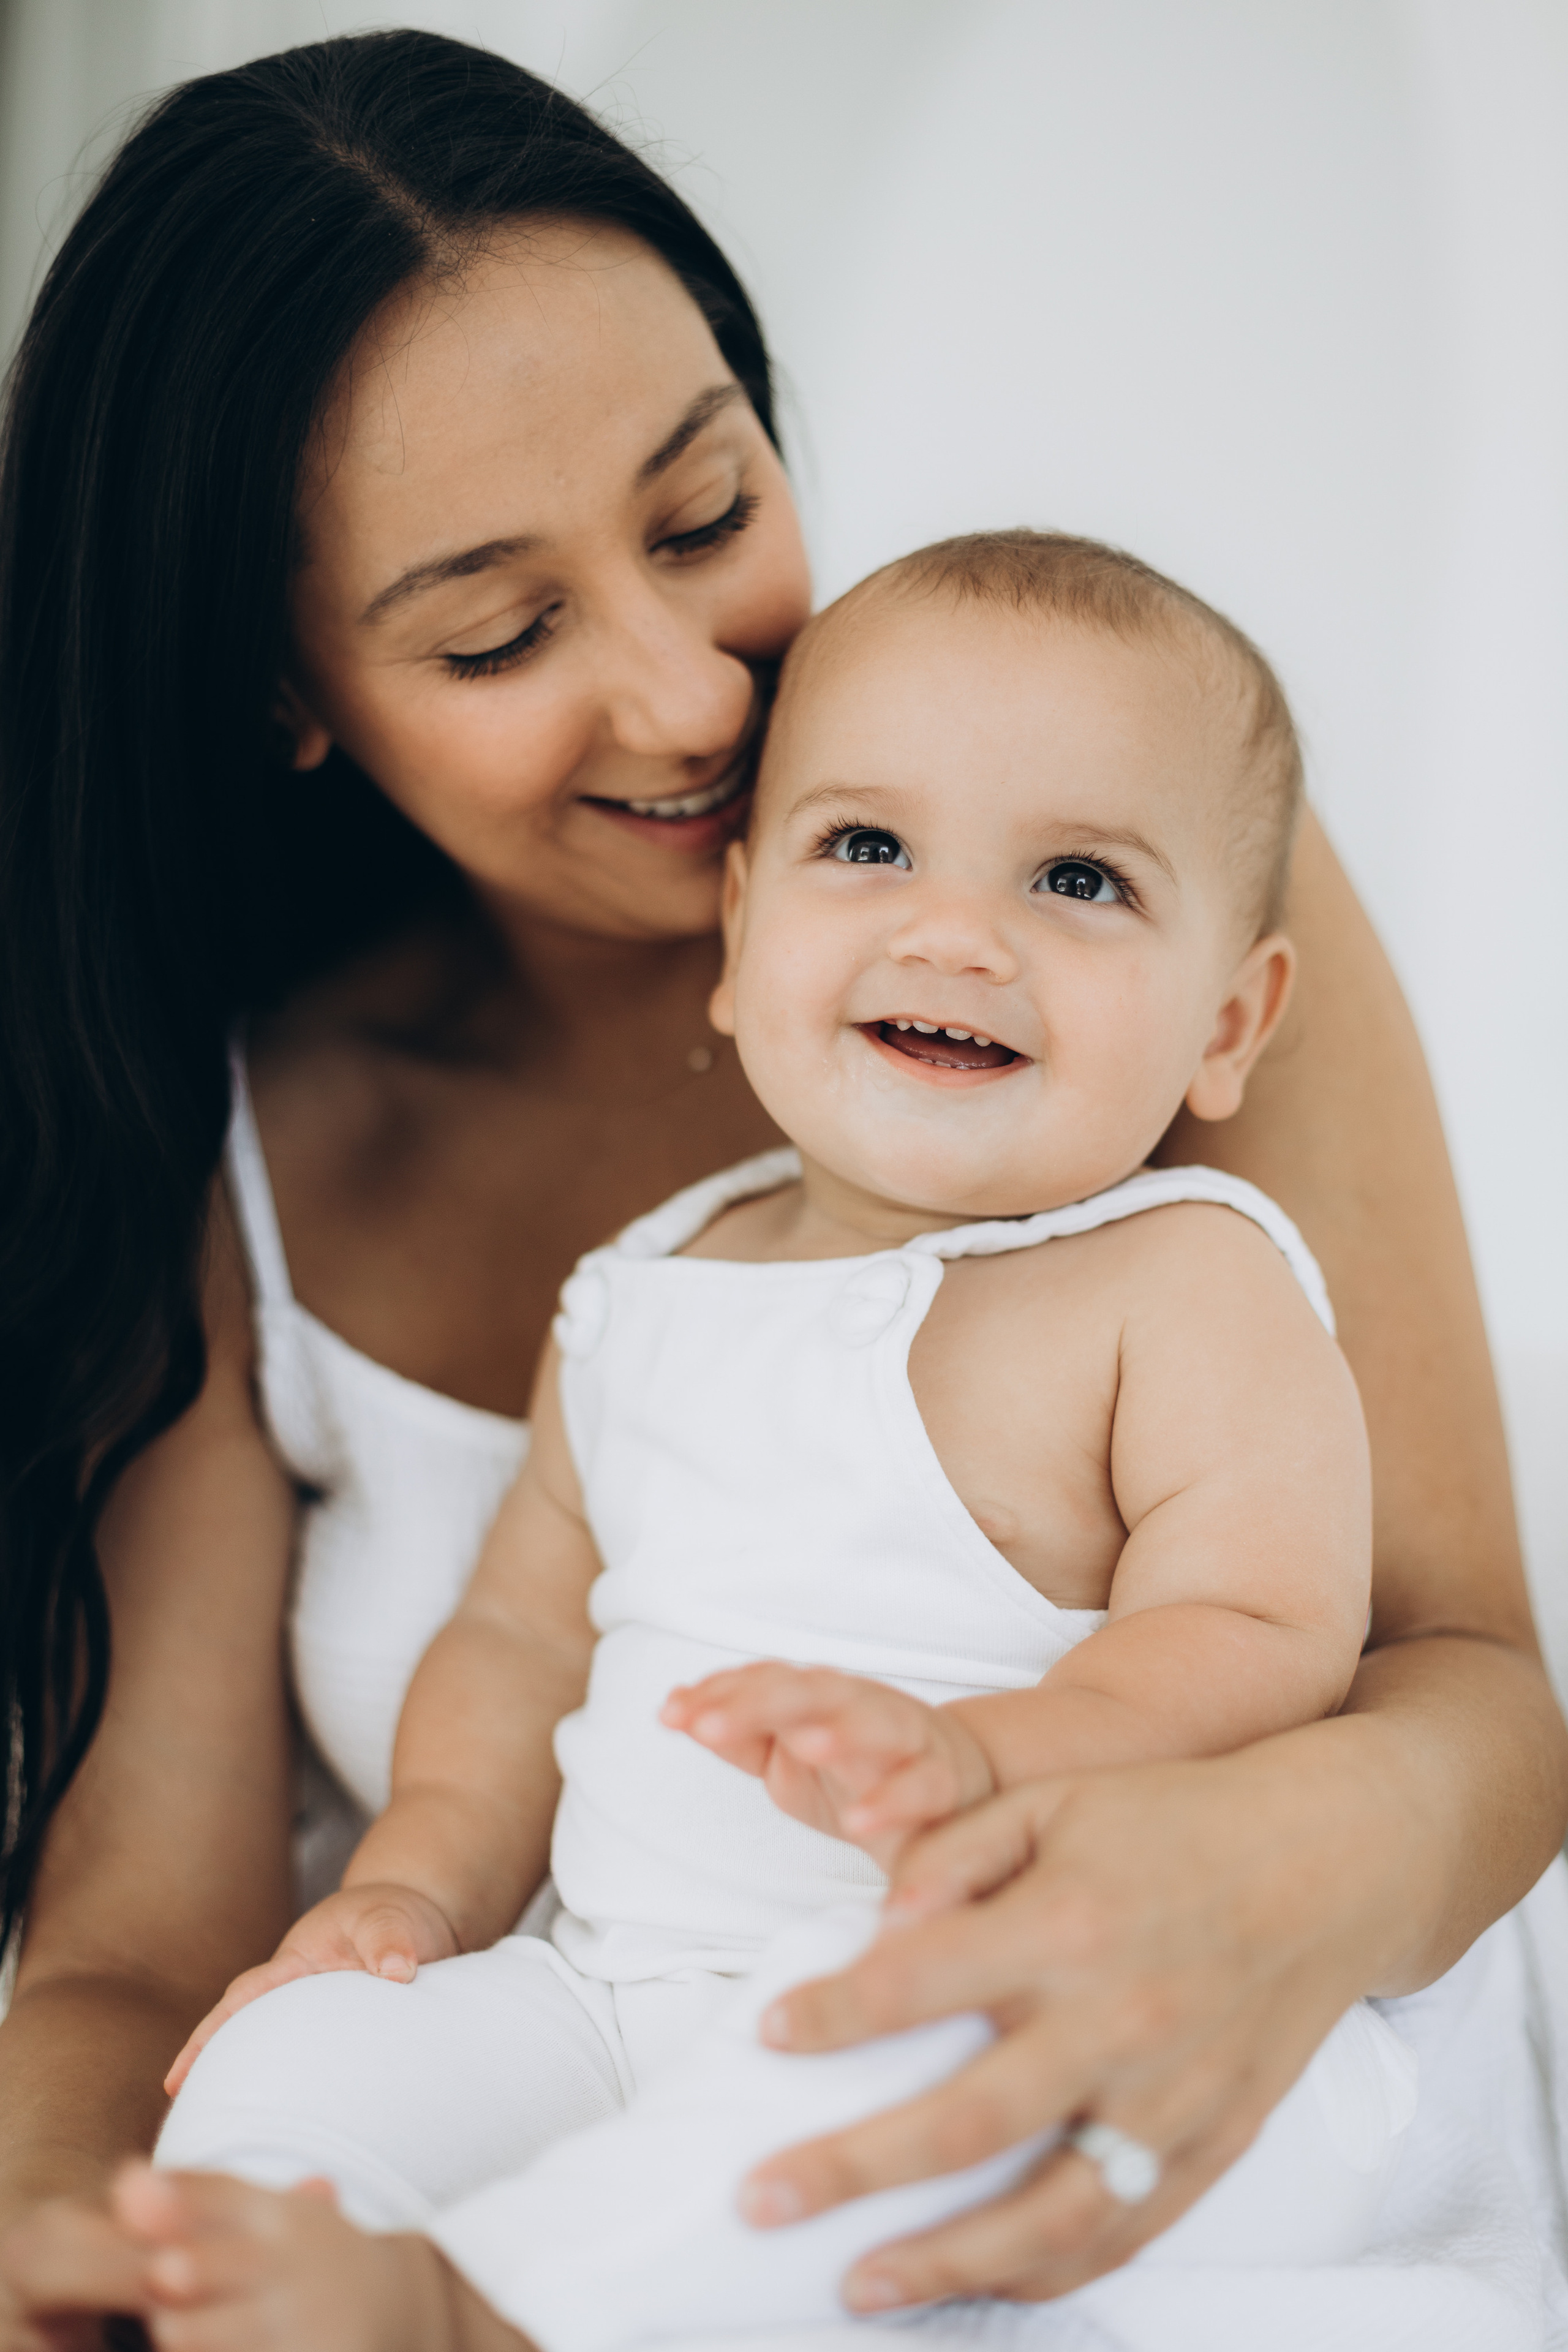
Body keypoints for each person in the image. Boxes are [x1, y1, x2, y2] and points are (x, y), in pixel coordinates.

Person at [0, 27, 1562, 2352]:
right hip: (582, 2048)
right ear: (280, 689)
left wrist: (1250, 1855)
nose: (694, 701)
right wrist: (97, 2247)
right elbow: (143, 1945)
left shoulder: (1125, 887)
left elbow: (1459, 1676)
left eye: (706, 511)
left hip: (1053, 2071)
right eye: (500, 632)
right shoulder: (270, 1145)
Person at [141, 530, 1434, 2352]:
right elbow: (513, 1643)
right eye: (869, 848)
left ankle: (489, 2308)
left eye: (1077, 878)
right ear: (740, 938)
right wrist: (410, 1886)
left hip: (1008, 1973)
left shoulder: (1185, 1281)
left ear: (1229, 1024)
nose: (955, 932)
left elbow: (1270, 1628)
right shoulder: (645, 1294)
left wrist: (990, 1760)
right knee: (312, 2047)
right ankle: (264, 2275)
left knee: (871, 2040)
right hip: (610, 1990)